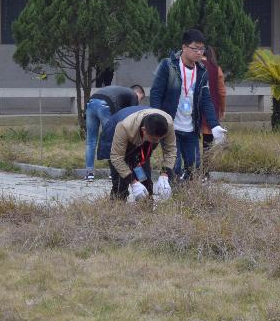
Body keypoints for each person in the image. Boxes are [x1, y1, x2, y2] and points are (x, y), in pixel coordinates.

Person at [150, 29, 225, 180]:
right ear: (184, 47)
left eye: (202, 48)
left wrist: (214, 125)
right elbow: (156, 93)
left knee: (194, 167)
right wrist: (157, 119)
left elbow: (206, 100)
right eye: (195, 48)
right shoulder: (168, 66)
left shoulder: (202, 71)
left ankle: (189, 199)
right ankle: (173, 197)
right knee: (175, 166)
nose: (199, 52)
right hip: (171, 126)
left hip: (191, 127)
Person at [96, 107, 176, 201]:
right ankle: (117, 210)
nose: (157, 142)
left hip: (142, 139)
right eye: (155, 139)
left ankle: (146, 210)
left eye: (160, 138)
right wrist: (133, 182)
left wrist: (164, 174)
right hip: (114, 137)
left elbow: (170, 151)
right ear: (144, 130)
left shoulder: (168, 124)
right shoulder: (124, 126)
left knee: (145, 181)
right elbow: (117, 157)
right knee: (120, 184)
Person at [84, 84, 145, 182]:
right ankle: (113, 173)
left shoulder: (120, 91)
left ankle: (89, 173)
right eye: (140, 98)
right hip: (105, 105)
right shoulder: (133, 95)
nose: (138, 101)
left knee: (90, 141)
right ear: (138, 93)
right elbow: (133, 115)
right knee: (112, 140)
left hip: (91, 103)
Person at [200, 45, 227, 152]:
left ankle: (191, 165)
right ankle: (206, 166)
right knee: (207, 143)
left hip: (191, 108)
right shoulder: (216, 68)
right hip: (211, 107)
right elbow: (222, 92)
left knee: (190, 139)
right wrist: (222, 109)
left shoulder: (193, 66)